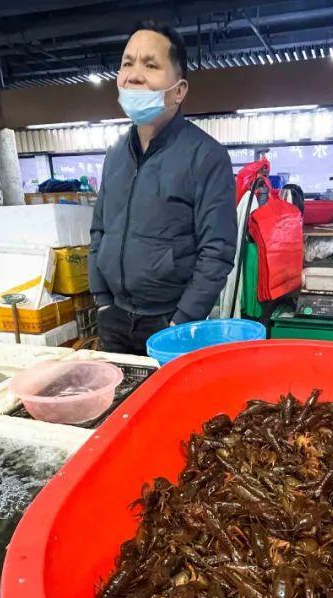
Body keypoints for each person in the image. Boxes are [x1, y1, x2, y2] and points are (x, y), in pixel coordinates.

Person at [89, 21, 237, 355]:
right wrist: (101, 301)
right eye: (127, 63)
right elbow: (99, 230)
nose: (134, 74)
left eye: (150, 65)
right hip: (114, 318)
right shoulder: (115, 155)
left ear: (179, 90)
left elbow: (217, 251)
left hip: (169, 323)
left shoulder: (206, 156)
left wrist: (182, 320)